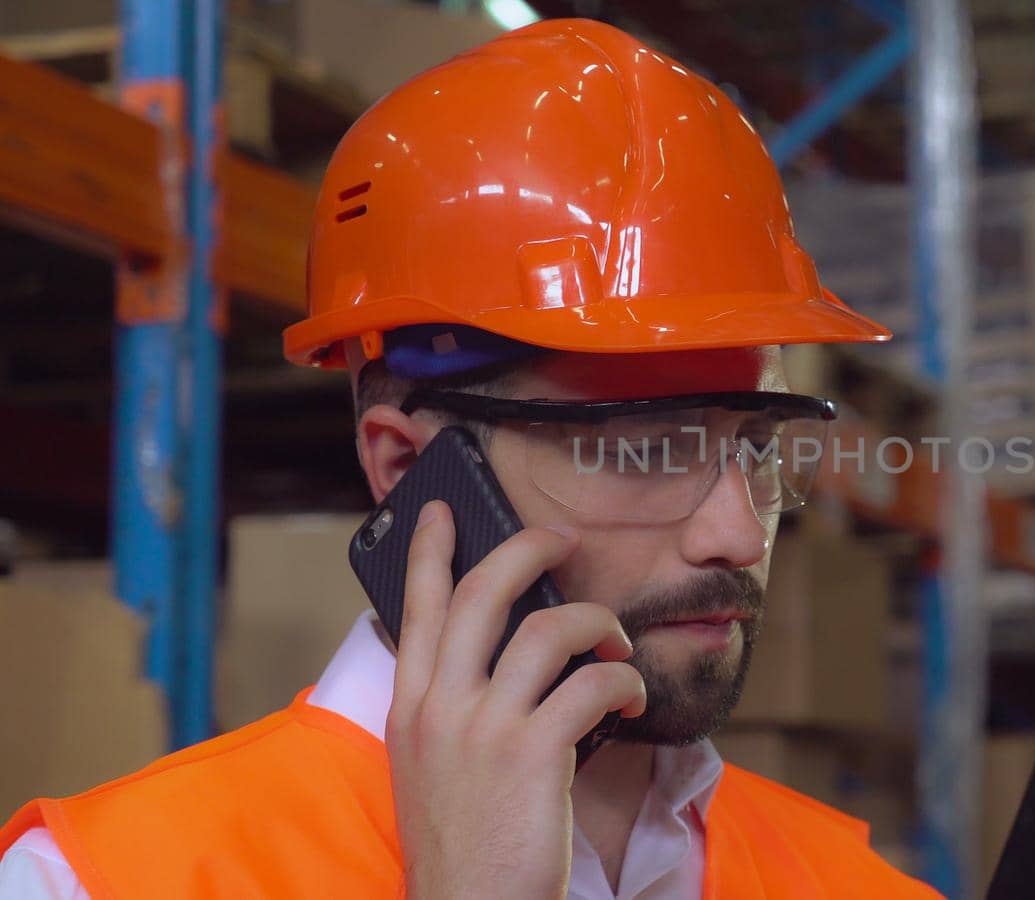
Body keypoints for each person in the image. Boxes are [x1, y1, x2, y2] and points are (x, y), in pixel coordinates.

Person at [0, 18, 941, 899]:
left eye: (757, 448)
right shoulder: (102, 881)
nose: (738, 532)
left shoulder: (851, 883)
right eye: (649, 447)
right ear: (408, 468)